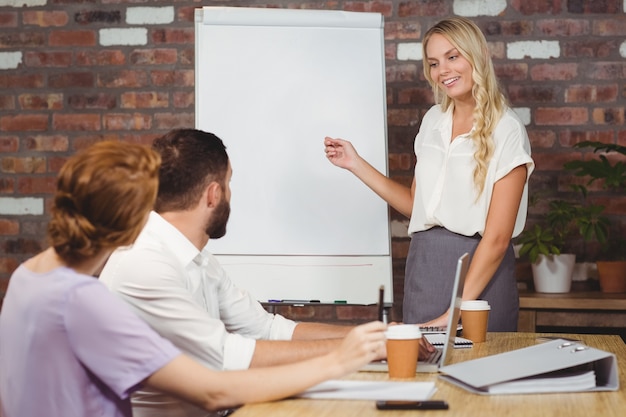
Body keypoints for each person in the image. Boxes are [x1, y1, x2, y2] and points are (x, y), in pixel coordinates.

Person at [0, 141, 387, 417]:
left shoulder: (27, 277)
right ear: (132, 219)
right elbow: (213, 390)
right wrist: (339, 359)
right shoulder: (83, 298)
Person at [99, 129, 414, 417]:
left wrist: (375, 337)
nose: (230, 194)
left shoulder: (199, 260)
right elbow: (227, 357)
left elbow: (267, 329)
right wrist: (350, 353)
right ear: (213, 194)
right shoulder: (144, 264)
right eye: (229, 183)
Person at [324, 17, 534, 332]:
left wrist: (458, 308)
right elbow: (415, 204)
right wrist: (356, 163)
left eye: (453, 57)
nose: (443, 71)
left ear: (477, 56)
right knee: (421, 374)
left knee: (480, 371)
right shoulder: (432, 121)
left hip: (479, 280)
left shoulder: (506, 129)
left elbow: (498, 237)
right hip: (424, 270)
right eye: (434, 63)